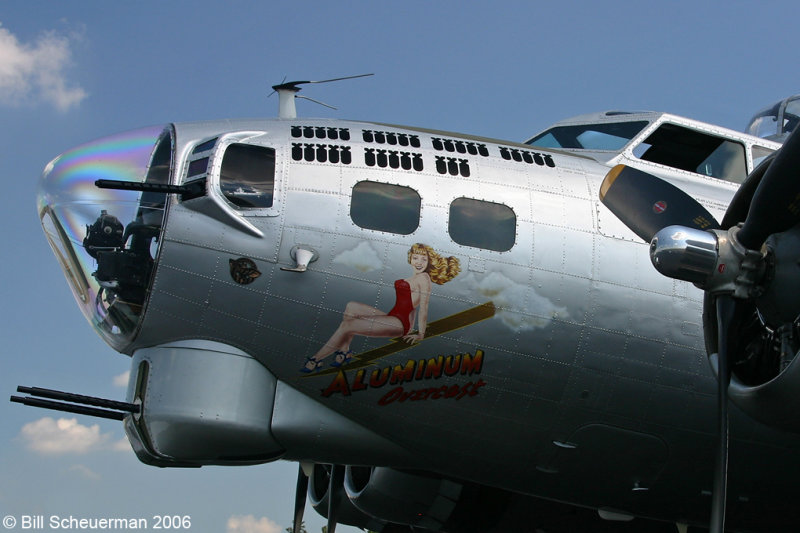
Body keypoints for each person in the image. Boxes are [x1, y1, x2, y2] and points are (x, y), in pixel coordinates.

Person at [302, 243, 460, 372]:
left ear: (428, 262)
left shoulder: (424, 279)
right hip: (393, 316)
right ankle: (344, 352)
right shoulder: (413, 277)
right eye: (416, 257)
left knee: (347, 326)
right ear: (410, 259)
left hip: (400, 323)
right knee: (351, 307)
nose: (419, 262)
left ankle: (316, 359)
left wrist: (420, 334)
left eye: (423, 259)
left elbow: (424, 308)